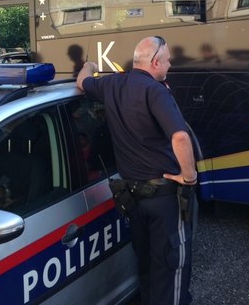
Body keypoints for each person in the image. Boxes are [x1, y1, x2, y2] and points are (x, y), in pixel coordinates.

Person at [76, 36, 197, 305]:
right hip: (164, 198)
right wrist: (189, 176)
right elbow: (180, 137)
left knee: (146, 265)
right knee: (171, 265)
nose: (170, 65)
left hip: (132, 198)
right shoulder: (155, 91)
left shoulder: (111, 84)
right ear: (155, 62)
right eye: (167, 60)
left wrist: (90, 65)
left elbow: (82, 82)